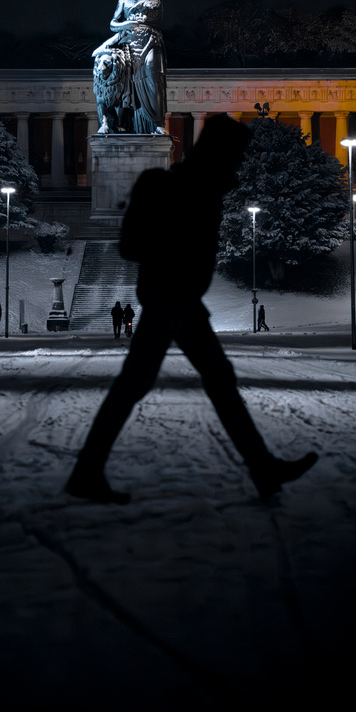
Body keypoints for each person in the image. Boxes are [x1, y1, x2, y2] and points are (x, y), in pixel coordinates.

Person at [66, 116, 317, 505]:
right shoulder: (169, 187)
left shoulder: (204, 189)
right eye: (234, 154)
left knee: (205, 378)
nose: (237, 162)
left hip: (181, 301)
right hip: (169, 298)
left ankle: (262, 467)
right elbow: (130, 246)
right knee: (152, 381)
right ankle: (86, 471)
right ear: (217, 152)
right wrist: (170, 251)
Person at [91, 0, 179, 135]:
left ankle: (158, 124)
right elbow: (113, 24)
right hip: (128, 46)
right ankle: (109, 122)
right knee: (115, 80)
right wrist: (128, 26)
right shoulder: (124, 0)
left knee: (152, 77)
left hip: (151, 41)